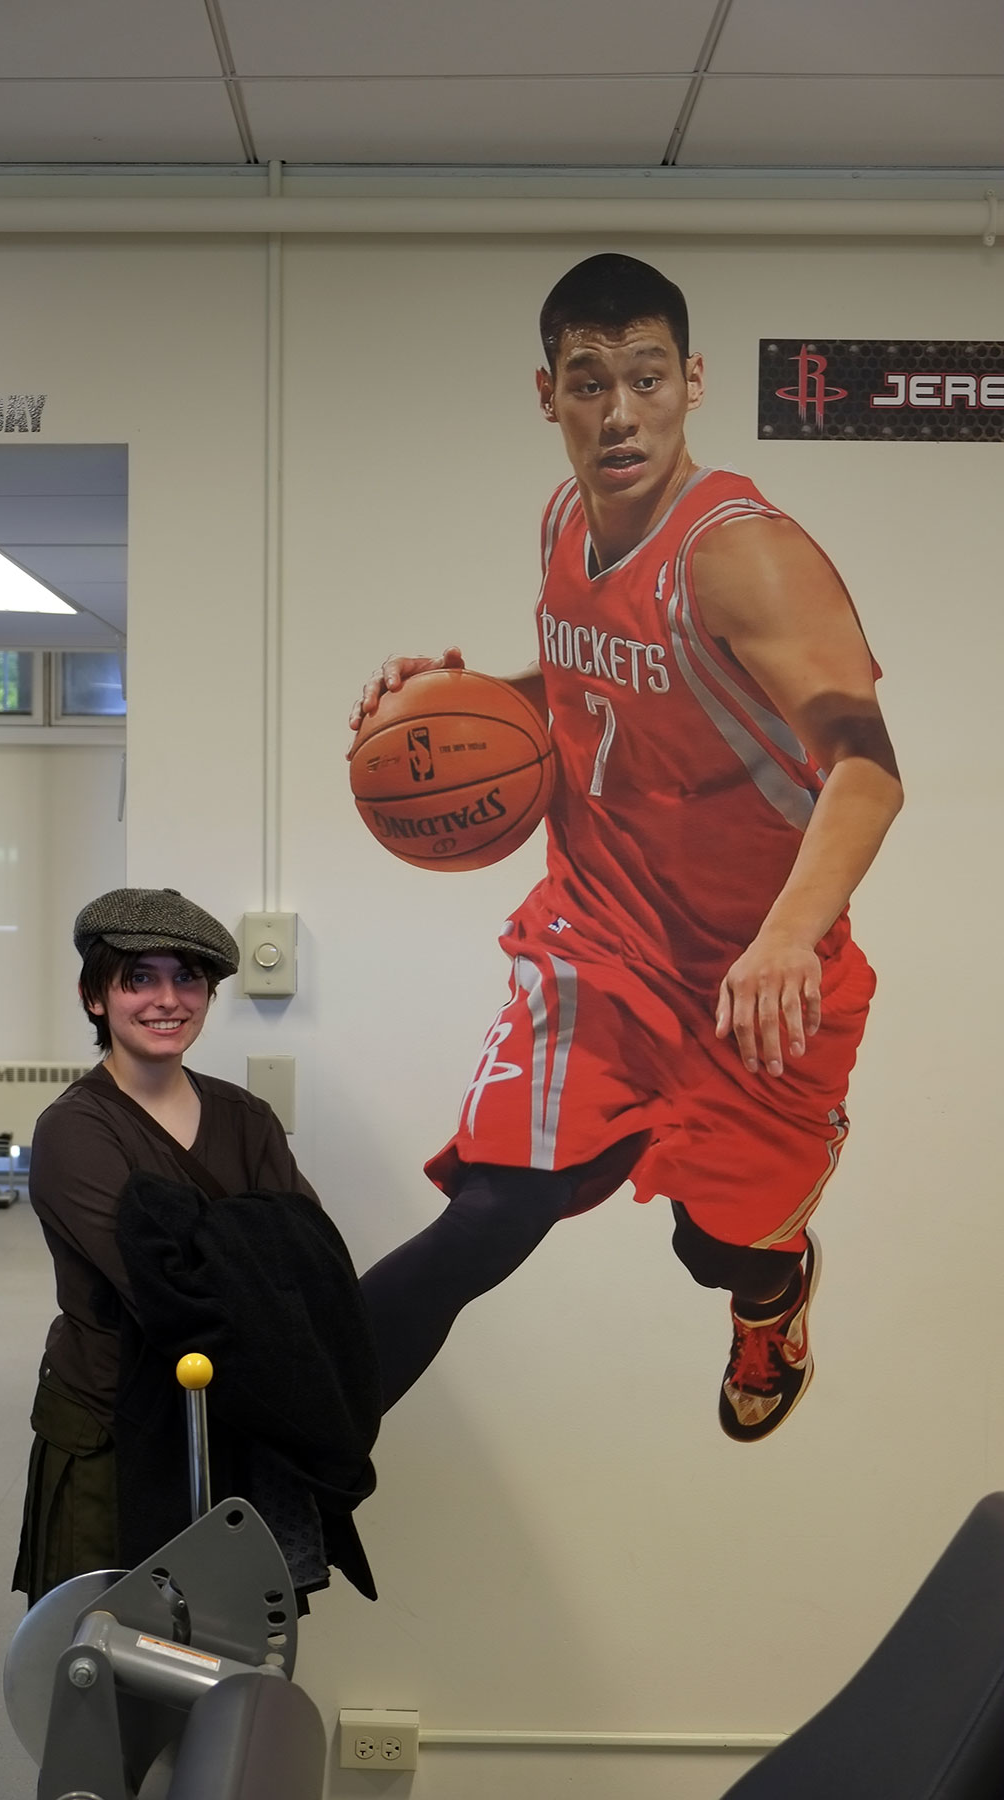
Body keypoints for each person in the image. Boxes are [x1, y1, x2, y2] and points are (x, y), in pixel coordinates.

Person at [351, 252, 903, 1442]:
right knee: (497, 1207)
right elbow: (587, 687)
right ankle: (286, 1435)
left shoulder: (744, 556)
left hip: (754, 974)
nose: (619, 413)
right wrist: (455, 706)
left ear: (692, 382)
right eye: (588, 382)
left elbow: (867, 771)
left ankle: (773, 1297)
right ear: (546, 393)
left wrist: (785, 941)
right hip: (597, 940)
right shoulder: (564, 521)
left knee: (717, 1247)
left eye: (646, 379)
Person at [12, 886, 320, 1605]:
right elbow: (167, 1291)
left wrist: (237, 1262)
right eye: (139, 978)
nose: (167, 1000)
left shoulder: (246, 1118)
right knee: (110, 1652)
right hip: (111, 1434)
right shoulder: (77, 1131)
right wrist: (249, 1258)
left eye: (188, 978)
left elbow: (310, 1265)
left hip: (236, 1426)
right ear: (94, 997)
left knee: (227, 1648)